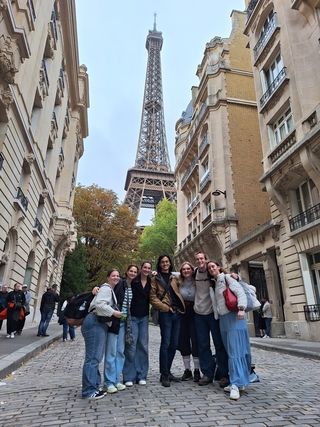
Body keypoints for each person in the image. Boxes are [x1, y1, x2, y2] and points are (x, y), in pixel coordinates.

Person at [207, 261, 251, 401]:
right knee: (230, 351)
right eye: (209, 268)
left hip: (234, 317)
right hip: (223, 319)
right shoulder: (214, 283)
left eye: (213, 266)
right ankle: (240, 380)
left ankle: (236, 384)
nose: (211, 269)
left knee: (235, 352)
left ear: (219, 267)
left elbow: (240, 292)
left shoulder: (227, 278)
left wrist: (241, 309)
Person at [81, 269, 122, 399]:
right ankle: (88, 391)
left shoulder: (109, 289)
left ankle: (94, 386)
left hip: (98, 323)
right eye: (113, 275)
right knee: (92, 358)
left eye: (117, 276)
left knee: (95, 358)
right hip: (95, 323)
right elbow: (100, 305)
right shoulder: (106, 288)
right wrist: (115, 313)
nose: (116, 277)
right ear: (108, 277)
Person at [193, 251, 229, 387]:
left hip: (213, 314)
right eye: (197, 259)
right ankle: (207, 373)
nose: (200, 261)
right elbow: (180, 274)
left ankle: (223, 374)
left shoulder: (211, 271)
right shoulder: (194, 272)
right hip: (199, 314)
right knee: (203, 345)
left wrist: (233, 276)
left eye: (201, 258)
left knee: (219, 344)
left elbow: (222, 275)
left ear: (205, 259)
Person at [150, 254, 185, 387]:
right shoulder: (155, 278)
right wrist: (166, 308)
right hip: (165, 314)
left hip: (177, 313)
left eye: (167, 261)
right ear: (159, 264)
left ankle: (168, 371)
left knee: (174, 343)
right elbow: (153, 298)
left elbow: (186, 273)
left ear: (170, 263)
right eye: (162, 262)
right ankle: (164, 374)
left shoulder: (174, 277)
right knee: (165, 343)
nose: (165, 263)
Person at [107, 264, 139, 393]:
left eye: (135, 272)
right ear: (126, 272)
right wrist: (96, 288)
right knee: (111, 352)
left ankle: (116, 380)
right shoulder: (120, 282)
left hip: (125, 322)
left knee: (120, 352)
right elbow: (108, 289)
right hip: (115, 321)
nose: (133, 273)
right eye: (131, 271)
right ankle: (109, 382)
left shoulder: (132, 286)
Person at [123, 261, 152, 386]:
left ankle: (141, 375)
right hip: (133, 317)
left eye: (149, 268)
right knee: (131, 346)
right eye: (144, 267)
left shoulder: (151, 281)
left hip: (144, 317)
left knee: (143, 346)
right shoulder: (133, 281)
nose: (146, 269)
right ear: (141, 268)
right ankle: (129, 376)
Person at [177, 261, 200, 382]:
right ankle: (187, 370)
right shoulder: (178, 281)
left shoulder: (198, 280)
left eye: (188, 269)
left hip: (195, 313)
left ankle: (197, 370)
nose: (186, 271)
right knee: (183, 341)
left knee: (195, 340)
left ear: (192, 270)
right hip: (182, 313)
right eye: (184, 269)